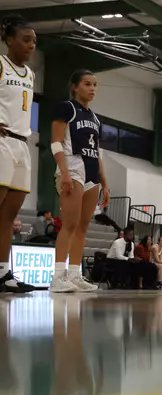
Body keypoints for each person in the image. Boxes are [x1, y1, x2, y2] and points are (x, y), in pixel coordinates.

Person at [49, 69, 109, 293]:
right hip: (72, 167)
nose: (92, 88)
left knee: (83, 227)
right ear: (75, 87)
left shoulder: (95, 118)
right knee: (70, 224)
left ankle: (75, 274)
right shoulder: (66, 107)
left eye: (95, 84)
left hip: (91, 171)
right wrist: (64, 172)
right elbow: (56, 142)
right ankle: (57, 277)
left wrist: (105, 183)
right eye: (87, 84)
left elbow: (97, 152)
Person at [0, 14, 36, 294]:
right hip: (2, 141)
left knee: (9, 216)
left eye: (34, 41)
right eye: (26, 40)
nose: (31, 45)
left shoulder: (30, 74)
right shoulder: (0, 64)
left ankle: (2, 272)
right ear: (9, 39)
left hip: (23, 144)